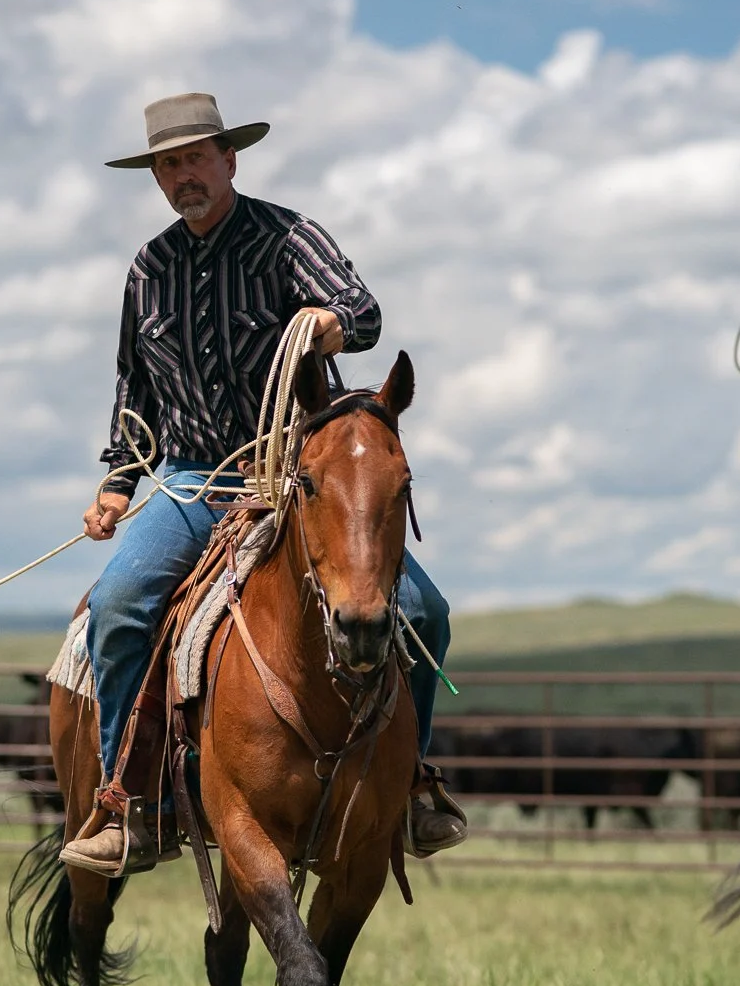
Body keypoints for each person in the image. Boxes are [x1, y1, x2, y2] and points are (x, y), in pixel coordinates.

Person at [59, 92, 466, 874]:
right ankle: (126, 802)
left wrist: (326, 325)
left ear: (229, 159)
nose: (183, 176)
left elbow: (365, 311)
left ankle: (412, 785)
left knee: (424, 609)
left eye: (195, 159)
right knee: (117, 607)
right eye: (168, 165)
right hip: (186, 483)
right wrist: (117, 481)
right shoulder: (149, 268)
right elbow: (132, 385)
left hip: (291, 476)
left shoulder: (288, 238)